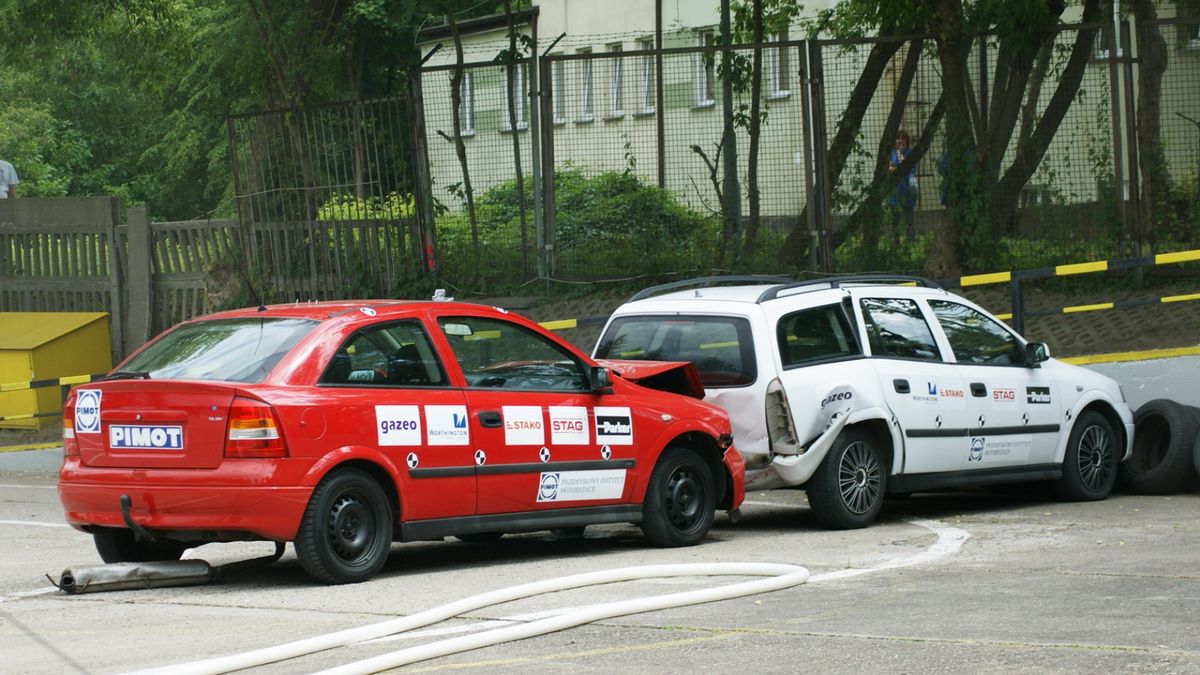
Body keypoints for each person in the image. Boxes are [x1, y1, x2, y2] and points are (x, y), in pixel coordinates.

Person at [886, 130, 917, 243]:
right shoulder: (892, 153)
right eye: (898, 138)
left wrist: (900, 157)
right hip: (895, 191)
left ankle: (910, 241)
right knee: (895, 219)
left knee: (909, 218)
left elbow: (908, 166)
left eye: (903, 138)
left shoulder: (910, 152)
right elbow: (889, 168)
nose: (900, 140)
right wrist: (897, 168)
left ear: (906, 140)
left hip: (907, 189)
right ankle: (895, 242)